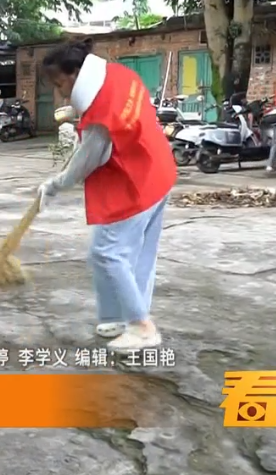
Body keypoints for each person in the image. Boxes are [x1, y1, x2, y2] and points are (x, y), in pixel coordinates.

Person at [36, 41, 176, 351]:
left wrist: (54, 185)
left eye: (60, 84)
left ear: (75, 75)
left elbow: (85, 164)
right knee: (136, 255)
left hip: (136, 181)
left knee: (107, 253)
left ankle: (142, 327)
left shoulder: (100, 115)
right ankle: (119, 317)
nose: (59, 93)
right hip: (158, 170)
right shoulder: (118, 75)